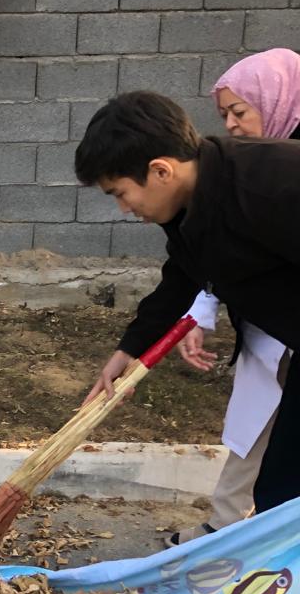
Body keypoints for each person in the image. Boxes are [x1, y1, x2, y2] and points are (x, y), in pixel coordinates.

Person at [75, 90, 300, 523]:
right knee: (281, 487)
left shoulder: (271, 184)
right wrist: (129, 350)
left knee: (285, 487)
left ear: (160, 170)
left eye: (120, 193)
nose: (123, 208)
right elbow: (182, 276)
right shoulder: (191, 204)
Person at [167, 49, 300, 545]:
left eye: (240, 111)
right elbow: (220, 252)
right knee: (255, 417)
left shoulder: (281, 178)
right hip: (270, 328)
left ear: (279, 99)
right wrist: (202, 310)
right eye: (224, 114)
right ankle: (224, 526)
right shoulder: (238, 172)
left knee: (283, 451)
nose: (231, 125)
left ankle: (265, 544)